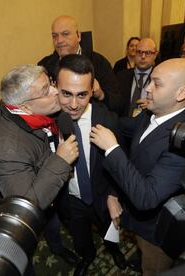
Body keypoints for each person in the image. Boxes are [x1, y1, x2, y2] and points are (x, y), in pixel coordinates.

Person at [90, 58, 185, 275]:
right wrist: (88, 112)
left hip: (156, 232)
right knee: (141, 254)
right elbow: (122, 129)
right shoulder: (151, 114)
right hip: (134, 220)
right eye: (149, 81)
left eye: (157, 84)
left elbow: (146, 197)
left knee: (153, 267)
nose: (147, 89)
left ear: (182, 93)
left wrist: (112, 149)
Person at [0, 65, 79, 272]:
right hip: (18, 213)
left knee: (51, 223)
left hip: (47, 187)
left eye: (51, 83)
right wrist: (61, 161)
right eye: (46, 91)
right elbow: (26, 207)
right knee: (22, 254)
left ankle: (56, 246)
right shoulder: (8, 149)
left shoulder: (20, 109)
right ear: (25, 107)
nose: (56, 91)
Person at [56, 54, 126, 275]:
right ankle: (87, 257)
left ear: (93, 89)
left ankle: (113, 249)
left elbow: (120, 160)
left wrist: (114, 194)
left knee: (110, 229)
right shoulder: (47, 121)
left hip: (102, 195)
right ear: (55, 87)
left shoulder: (108, 119)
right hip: (70, 198)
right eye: (66, 94)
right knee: (80, 235)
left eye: (82, 95)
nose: (74, 105)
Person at [38, 15, 119, 111]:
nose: (59, 40)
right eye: (55, 36)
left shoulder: (99, 63)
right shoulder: (44, 66)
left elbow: (118, 104)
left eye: (65, 34)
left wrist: (101, 94)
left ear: (79, 36)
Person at [116, 38, 158, 117]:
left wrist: (153, 104)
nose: (143, 56)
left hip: (149, 122)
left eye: (148, 53)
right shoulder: (121, 76)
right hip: (123, 124)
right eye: (139, 52)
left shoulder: (160, 78)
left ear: (155, 55)